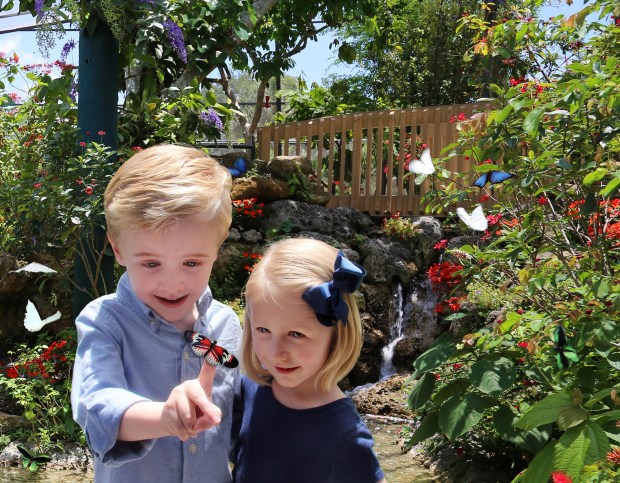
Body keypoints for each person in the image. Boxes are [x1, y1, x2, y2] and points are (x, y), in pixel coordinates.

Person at [71, 144, 241, 483]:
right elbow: (97, 405)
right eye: (151, 263)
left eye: (192, 263)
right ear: (118, 249)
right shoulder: (105, 323)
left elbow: (242, 422)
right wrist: (164, 417)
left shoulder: (225, 326)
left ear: (216, 251)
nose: (172, 283)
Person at [231, 238, 386, 483]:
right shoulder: (249, 389)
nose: (275, 352)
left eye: (296, 334)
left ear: (336, 337)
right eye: (263, 330)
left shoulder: (345, 434)